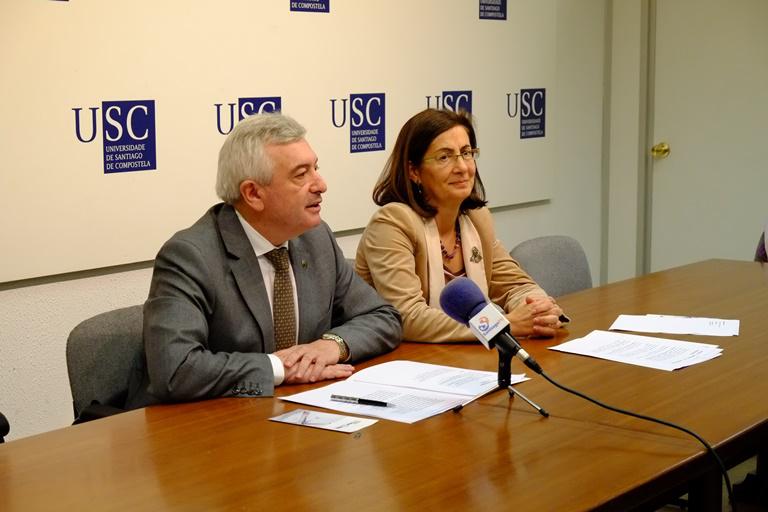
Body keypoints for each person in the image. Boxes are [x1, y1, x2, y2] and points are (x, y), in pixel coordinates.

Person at [126, 113, 402, 408]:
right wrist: (280, 368)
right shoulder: (191, 256)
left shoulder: (316, 238)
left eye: (316, 169)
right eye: (301, 175)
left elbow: (383, 317)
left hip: (294, 409)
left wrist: (332, 345)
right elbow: (175, 368)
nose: (321, 184)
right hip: (203, 422)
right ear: (253, 193)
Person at [355, 108, 566, 342]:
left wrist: (538, 309)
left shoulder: (476, 219)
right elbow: (406, 317)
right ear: (414, 171)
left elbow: (515, 285)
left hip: (458, 355)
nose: (463, 168)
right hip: (398, 358)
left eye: (466, 153)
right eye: (444, 157)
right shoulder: (392, 224)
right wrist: (499, 327)